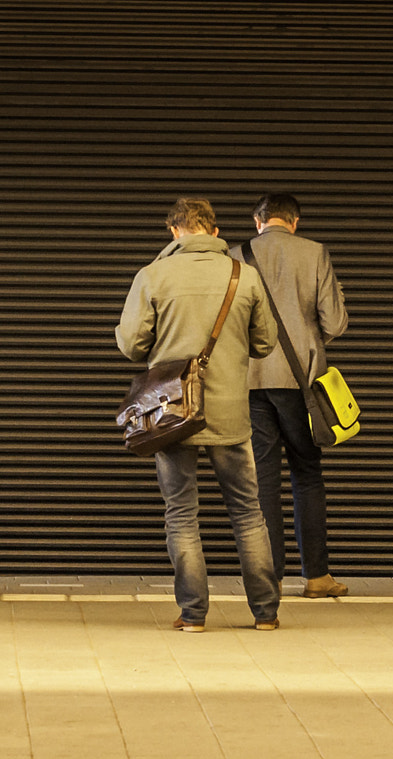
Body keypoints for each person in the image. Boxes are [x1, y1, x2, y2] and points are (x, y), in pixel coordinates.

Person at [115, 197, 281, 632]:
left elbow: (131, 345)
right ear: (214, 229)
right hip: (229, 413)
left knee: (181, 513)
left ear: (174, 231)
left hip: (171, 414)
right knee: (248, 512)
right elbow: (265, 343)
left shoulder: (153, 275)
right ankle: (265, 613)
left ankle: (193, 616)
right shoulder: (243, 275)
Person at [235, 192, 350, 599]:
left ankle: (272, 579)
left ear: (257, 220)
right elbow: (335, 321)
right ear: (295, 221)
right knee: (307, 474)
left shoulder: (236, 256)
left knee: (263, 480)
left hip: (248, 380)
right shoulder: (315, 254)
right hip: (302, 383)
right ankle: (317, 577)